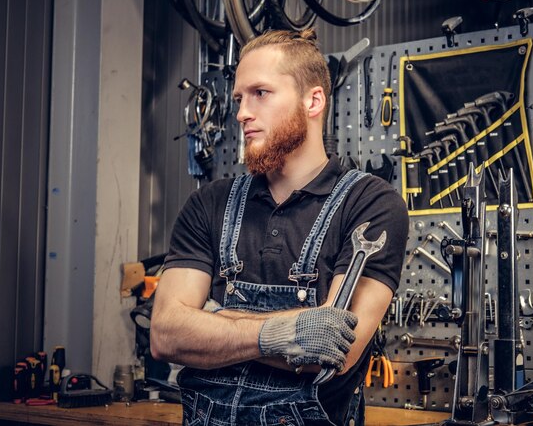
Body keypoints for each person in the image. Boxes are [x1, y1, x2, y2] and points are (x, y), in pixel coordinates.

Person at [150, 28, 409, 426]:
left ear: (313, 101)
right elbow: (166, 334)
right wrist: (281, 335)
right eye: (239, 98)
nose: (241, 113)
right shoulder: (209, 203)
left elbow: (333, 353)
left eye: (261, 93)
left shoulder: (370, 204)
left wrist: (213, 317)